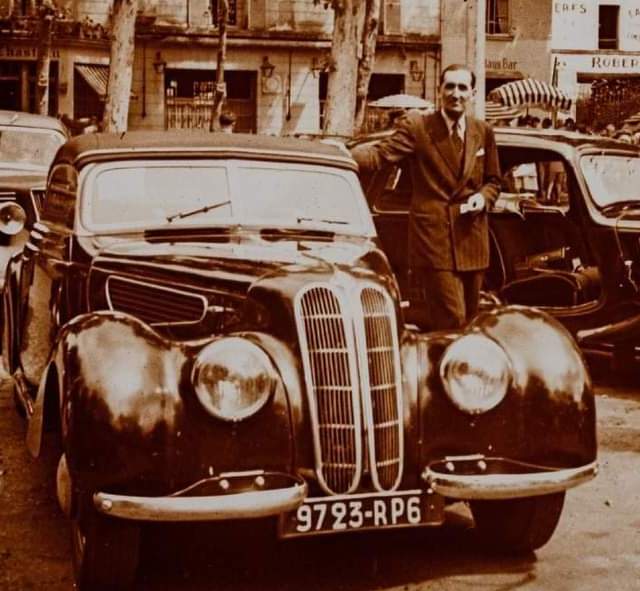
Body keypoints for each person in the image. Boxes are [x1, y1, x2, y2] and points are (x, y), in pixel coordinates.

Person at [350, 64, 501, 330]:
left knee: (469, 322)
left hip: (472, 240)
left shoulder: (482, 131)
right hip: (435, 241)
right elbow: (380, 155)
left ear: (472, 93)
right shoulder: (419, 127)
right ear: (439, 90)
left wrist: (483, 198)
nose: (456, 94)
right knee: (452, 320)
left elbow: (494, 181)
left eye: (462, 88)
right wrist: (341, 152)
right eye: (449, 87)